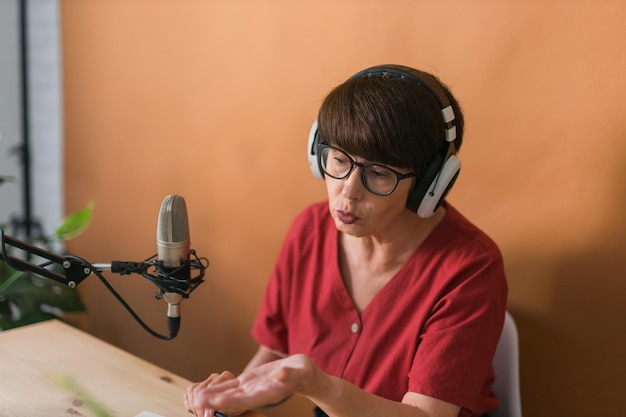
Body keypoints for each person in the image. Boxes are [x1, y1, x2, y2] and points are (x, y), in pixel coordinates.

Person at [184, 64, 508, 417]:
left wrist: (320, 386)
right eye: (338, 160)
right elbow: (278, 355)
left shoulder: (470, 268)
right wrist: (235, 398)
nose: (348, 193)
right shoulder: (309, 231)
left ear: (430, 184)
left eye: (379, 173)